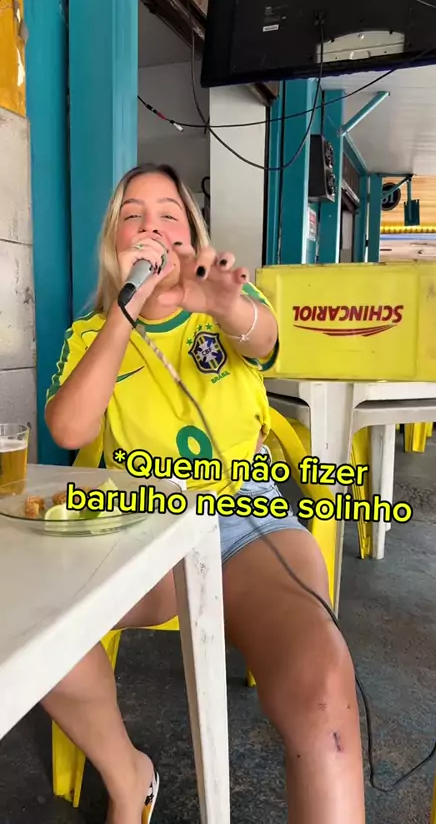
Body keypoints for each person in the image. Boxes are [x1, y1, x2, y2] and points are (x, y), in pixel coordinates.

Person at [44, 162, 365, 824]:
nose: (151, 227)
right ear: (113, 243)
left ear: (191, 237)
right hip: (144, 532)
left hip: (246, 525)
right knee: (37, 630)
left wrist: (221, 304)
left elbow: (266, 337)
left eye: (169, 215)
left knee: (321, 683)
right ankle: (129, 778)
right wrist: (125, 312)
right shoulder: (90, 336)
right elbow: (70, 429)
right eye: (132, 216)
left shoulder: (227, 303)